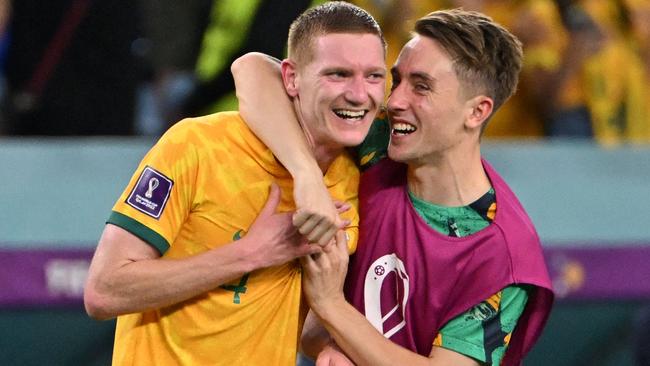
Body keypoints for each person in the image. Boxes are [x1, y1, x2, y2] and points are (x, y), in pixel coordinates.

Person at [232, 9, 554, 365]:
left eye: (421, 86)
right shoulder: (380, 144)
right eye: (396, 80)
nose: (394, 101)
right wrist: (306, 176)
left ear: (476, 112)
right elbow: (252, 70)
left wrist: (331, 307)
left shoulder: (503, 255)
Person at [83, 2, 387, 365]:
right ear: (291, 78)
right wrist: (250, 253)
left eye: (374, 76)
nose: (358, 94)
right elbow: (103, 291)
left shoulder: (358, 178)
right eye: (337, 74)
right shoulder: (197, 145)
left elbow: (298, 324)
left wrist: (330, 343)